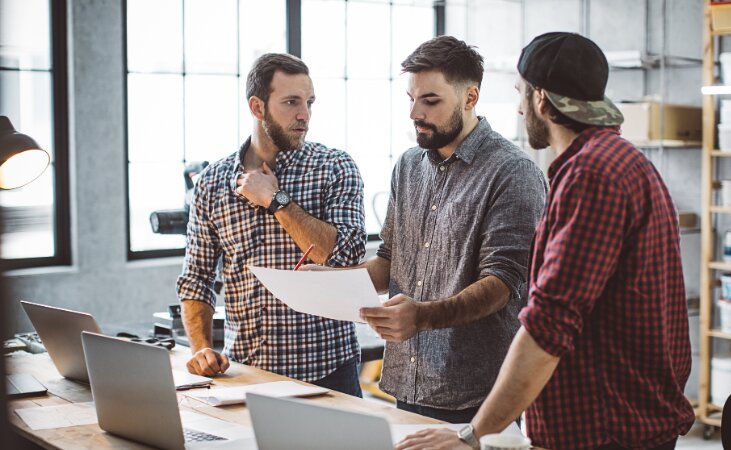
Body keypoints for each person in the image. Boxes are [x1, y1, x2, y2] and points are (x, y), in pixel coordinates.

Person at [397, 32, 694, 450]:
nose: (519, 108)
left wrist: (472, 434)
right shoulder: (623, 161)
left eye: (521, 94)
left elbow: (546, 327)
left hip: (606, 430)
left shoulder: (591, 176)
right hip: (631, 420)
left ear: (541, 100)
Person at [306, 36, 548, 422]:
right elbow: (390, 261)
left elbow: (503, 283)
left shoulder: (512, 173)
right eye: (411, 98)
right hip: (407, 380)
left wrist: (422, 317)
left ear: (470, 97)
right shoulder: (408, 166)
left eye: (430, 101)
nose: (414, 112)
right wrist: (332, 281)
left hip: (477, 393)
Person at [176, 53, 366, 397]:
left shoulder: (335, 167)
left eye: (309, 102)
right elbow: (196, 280)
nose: (304, 114)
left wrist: (277, 200)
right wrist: (201, 348)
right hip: (247, 375)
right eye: (291, 102)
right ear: (257, 107)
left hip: (328, 374)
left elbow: (345, 256)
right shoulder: (212, 183)